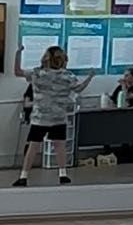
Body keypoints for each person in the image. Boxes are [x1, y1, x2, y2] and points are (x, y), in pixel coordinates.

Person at [14, 46, 95, 186]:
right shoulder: (67, 76)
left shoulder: (38, 73)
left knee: (33, 146)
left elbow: (18, 72)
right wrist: (90, 77)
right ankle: (63, 174)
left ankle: (23, 176)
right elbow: (79, 88)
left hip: (40, 118)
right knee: (60, 146)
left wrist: (18, 53)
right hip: (58, 116)